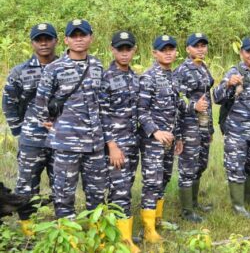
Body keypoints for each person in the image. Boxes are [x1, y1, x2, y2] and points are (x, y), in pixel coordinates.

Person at [33, 19, 106, 219]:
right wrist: (52, 125)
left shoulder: (98, 66)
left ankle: (98, 233)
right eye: (74, 36)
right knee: (64, 193)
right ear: (66, 40)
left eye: (83, 35)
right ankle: (69, 238)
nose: (79, 39)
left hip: (95, 144)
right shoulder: (54, 68)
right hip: (66, 144)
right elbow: (41, 101)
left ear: (91, 38)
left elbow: (103, 101)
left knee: (97, 193)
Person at [2, 23, 57, 236]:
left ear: (56, 41)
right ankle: (29, 234)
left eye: (47, 38)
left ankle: (63, 232)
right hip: (31, 141)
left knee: (62, 187)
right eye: (38, 39)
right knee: (26, 188)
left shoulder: (65, 67)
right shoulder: (20, 71)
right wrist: (19, 132)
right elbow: (9, 103)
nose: (43, 43)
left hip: (61, 140)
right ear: (32, 43)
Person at [214, 36, 250, 218]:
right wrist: (228, 83)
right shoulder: (234, 71)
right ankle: (238, 207)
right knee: (235, 167)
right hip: (236, 130)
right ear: (242, 53)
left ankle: (249, 199)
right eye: (249, 51)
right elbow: (217, 97)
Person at [138, 35, 185, 243]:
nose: (168, 52)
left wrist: (179, 137)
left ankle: (157, 220)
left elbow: (176, 110)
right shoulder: (149, 77)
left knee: (164, 178)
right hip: (153, 140)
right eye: (163, 49)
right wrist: (155, 131)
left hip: (170, 140)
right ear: (154, 53)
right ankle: (148, 230)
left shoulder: (174, 77)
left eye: (171, 49)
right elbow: (140, 110)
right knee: (152, 181)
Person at [99, 31, 141, 252]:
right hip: (116, 145)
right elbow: (102, 114)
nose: (124, 53)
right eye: (120, 49)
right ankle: (122, 240)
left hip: (133, 143)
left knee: (124, 188)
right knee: (120, 190)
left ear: (134, 50)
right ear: (112, 50)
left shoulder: (135, 77)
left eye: (128, 49)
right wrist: (112, 145)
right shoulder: (106, 78)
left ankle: (118, 233)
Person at [174, 33, 215, 222]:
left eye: (203, 45)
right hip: (188, 125)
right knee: (188, 167)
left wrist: (210, 129)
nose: (200, 49)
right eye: (196, 46)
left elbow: (207, 97)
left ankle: (194, 203)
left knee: (201, 164)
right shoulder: (182, 70)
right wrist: (193, 106)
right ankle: (186, 211)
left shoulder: (203, 67)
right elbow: (175, 98)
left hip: (204, 124)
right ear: (187, 49)